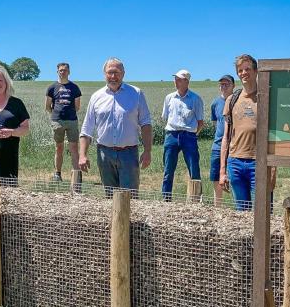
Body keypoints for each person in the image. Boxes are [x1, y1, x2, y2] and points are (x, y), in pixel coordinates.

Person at [79, 57, 152, 194]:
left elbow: (146, 124)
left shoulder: (136, 93)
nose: (113, 76)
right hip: (104, 155)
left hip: (129, 154)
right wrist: (82, 155)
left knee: (130, 197)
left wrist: (147, 151)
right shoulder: (96, 97)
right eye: (110, 72)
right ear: (104, 74)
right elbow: (86, 129)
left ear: (123, 73)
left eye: (117, 72)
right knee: (110, 196)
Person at [219, 54, 276, 210]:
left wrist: (273, 169)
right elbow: (226, 137)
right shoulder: (232, 100)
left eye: (247, 69)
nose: (244, 73)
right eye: (240, 70)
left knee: (263, 211)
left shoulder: (266, 97)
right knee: (241, 214)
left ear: (256, 71)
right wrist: (222, 171)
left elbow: (275, 136)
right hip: (235, 162)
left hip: (259, 163)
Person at [160, 69, 204, 200]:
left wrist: (193, 135)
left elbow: (200, 122)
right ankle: (166, 199)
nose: (176, 81)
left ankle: (196, 199)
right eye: (175, 79)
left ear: (187, 81)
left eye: (179, 79)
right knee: (168, 169)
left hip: (189, 136)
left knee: (194, 169)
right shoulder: (169, 98)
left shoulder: (196, 99)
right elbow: (165, 117)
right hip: (171, 135)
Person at [45, 62, 82, 182]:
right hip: (57, 121)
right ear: (57, 72)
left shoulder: (75, 88)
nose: (63, 72)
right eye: (60, 70)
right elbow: (47, 106)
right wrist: (56, 115)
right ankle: (57, 174)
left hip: (72, 121)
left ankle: (76, 176)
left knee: (74, 148)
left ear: (69, 72)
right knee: (58, 148)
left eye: (65, 70)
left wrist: (68, 114)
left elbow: (77, 107)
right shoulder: (51, 88)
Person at [209, 75, 235, 206]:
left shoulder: (236, 101)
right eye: (221, 85)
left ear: (233, 86)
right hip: (217, 145)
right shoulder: (215, 103)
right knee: (215, 178)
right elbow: (215, 123)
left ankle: (238, 209)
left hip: (235, 146)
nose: (223, 87)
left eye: (227, 84)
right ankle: (217, 207)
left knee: (234, 178)